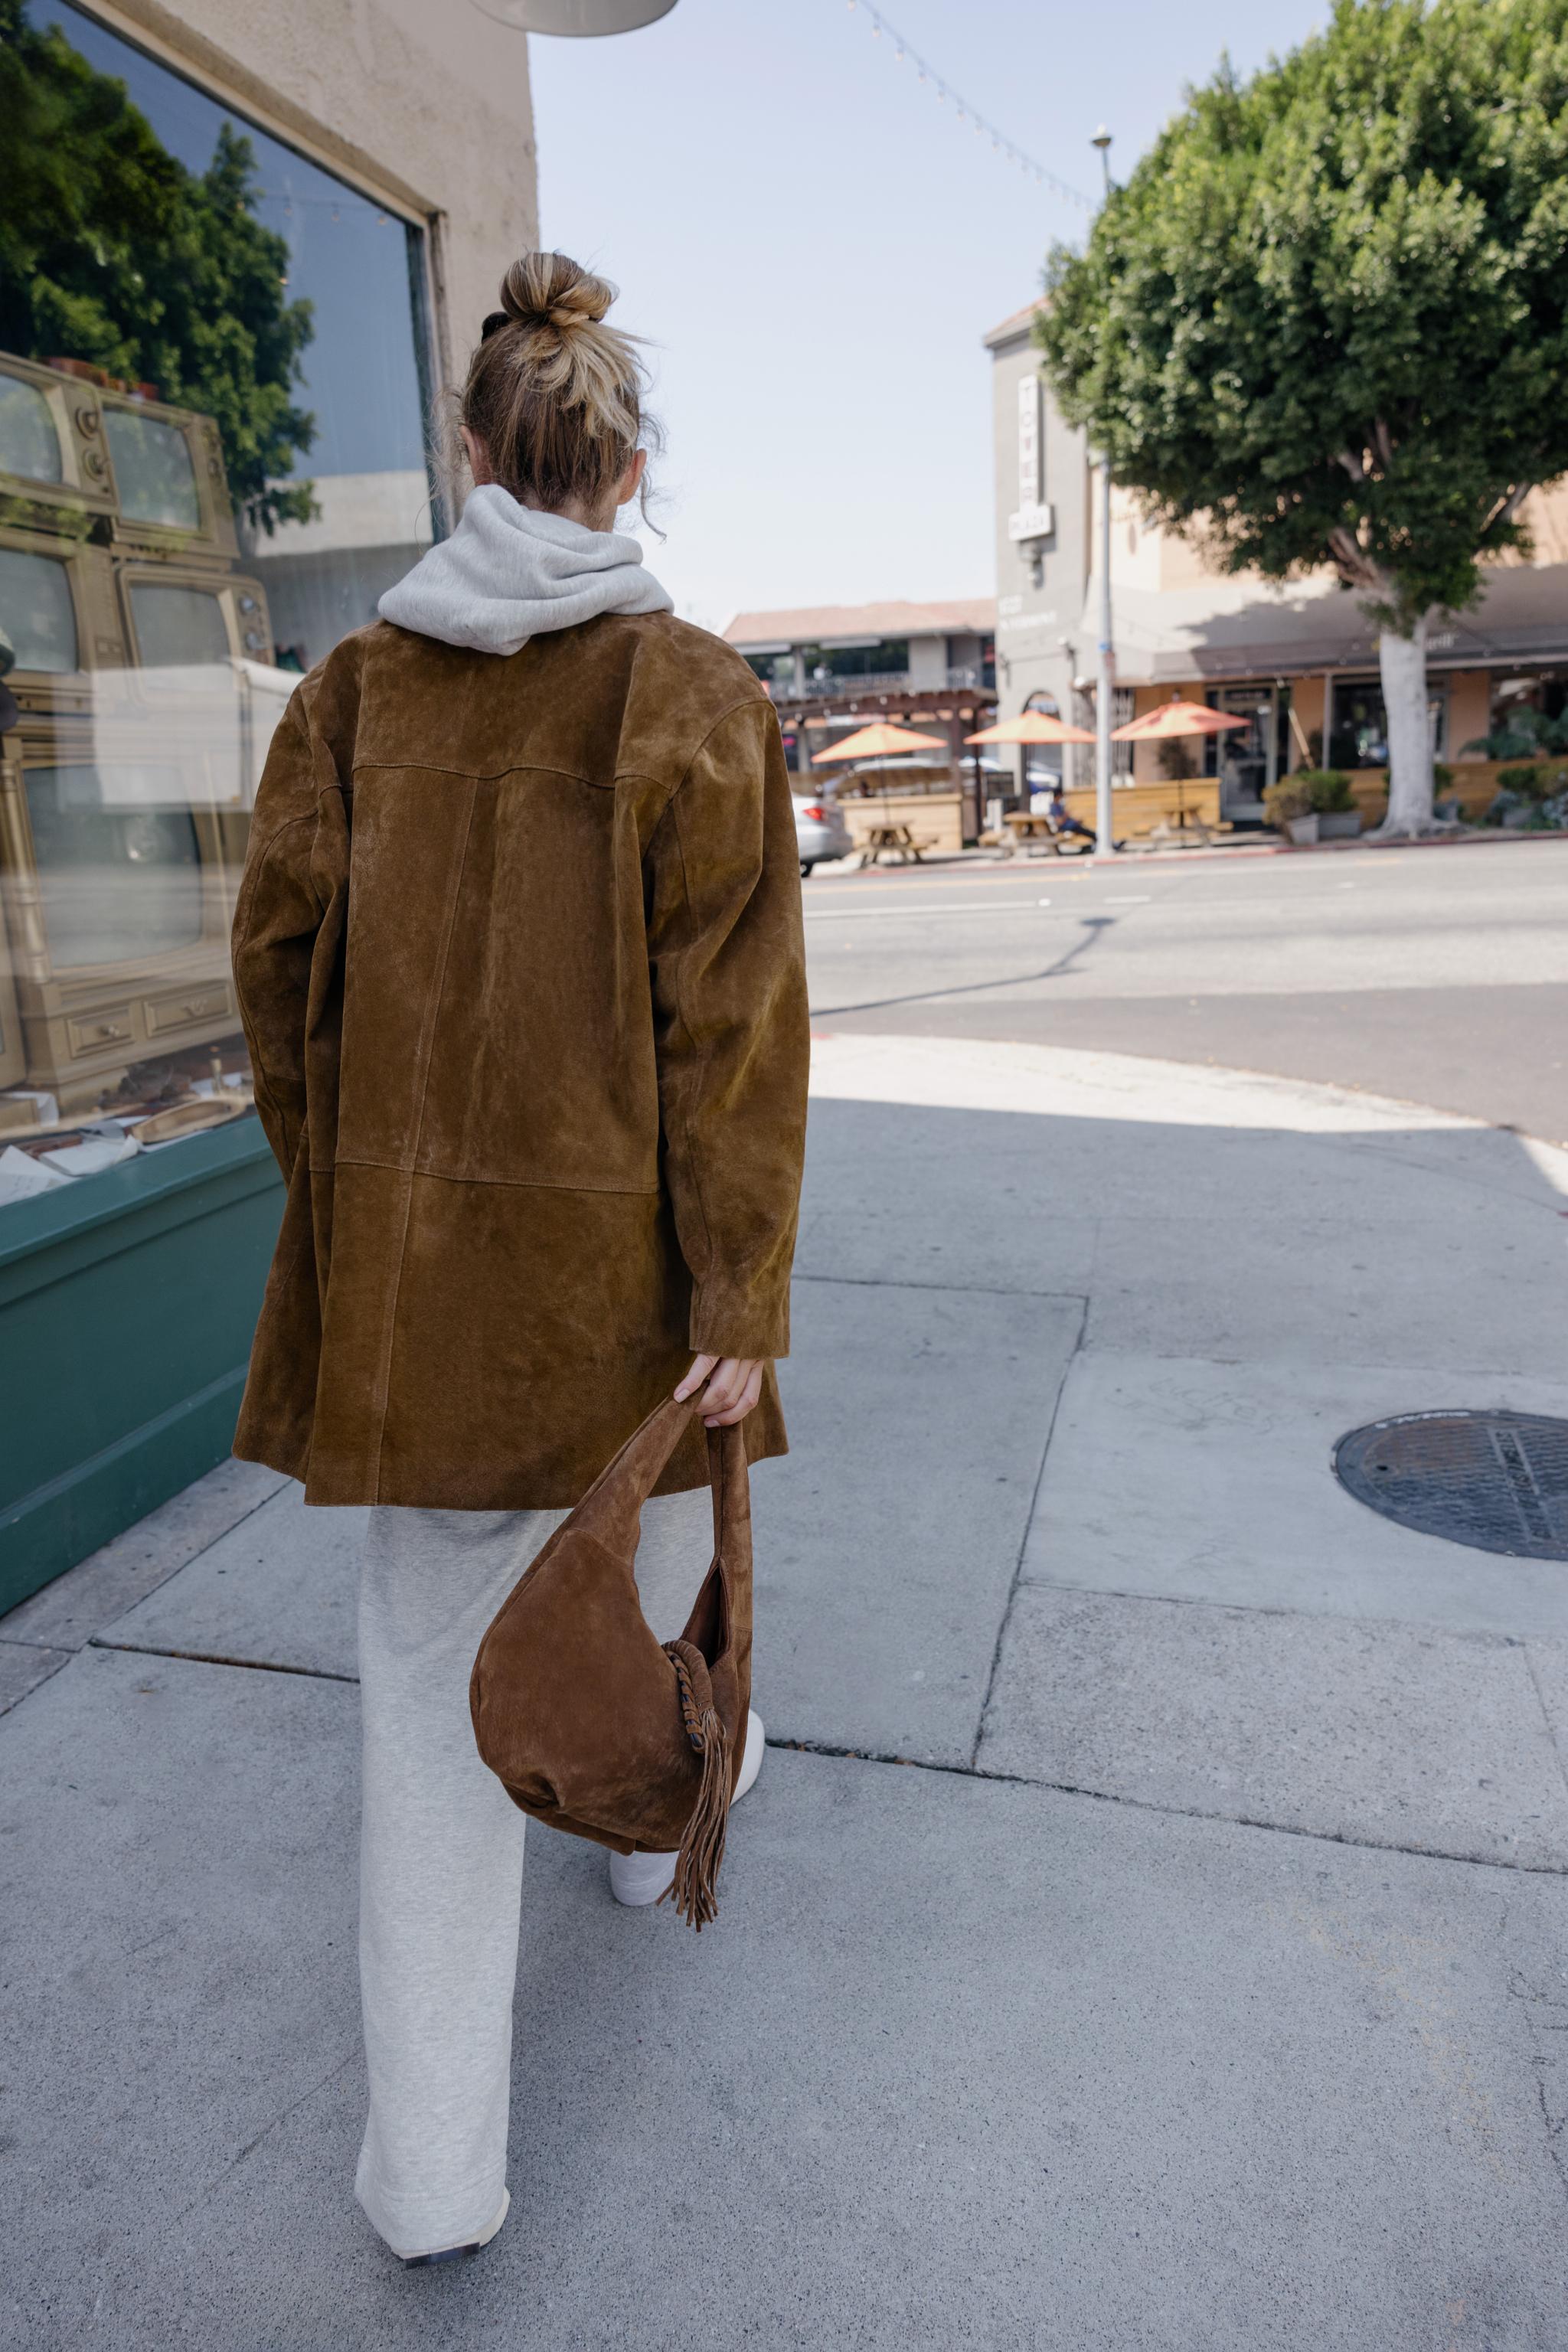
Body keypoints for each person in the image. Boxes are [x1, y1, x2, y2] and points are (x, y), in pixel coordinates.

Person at [230, 253, 809, 2267]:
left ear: (470, 455)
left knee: (422, 1737)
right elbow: (734, 1038)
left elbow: (277, 984)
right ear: (626, 471)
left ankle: (431, 2185)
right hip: (633, 1311)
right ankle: (651, 1854)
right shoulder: (699, 698)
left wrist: (355, 1214)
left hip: (419, 1320)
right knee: (627, 1591)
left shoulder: (348, 695)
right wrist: (739, 1296)